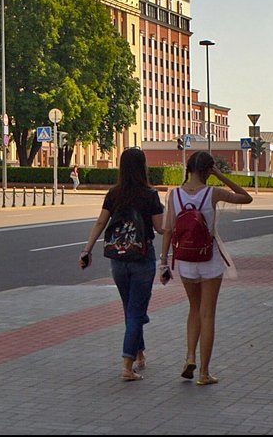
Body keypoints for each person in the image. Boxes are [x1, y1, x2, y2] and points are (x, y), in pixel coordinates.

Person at [159, 150, 253, 386]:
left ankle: (189, 356)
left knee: (193, 309)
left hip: (185, 262)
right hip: (208, 259)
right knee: (207, 313)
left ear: (189, 168)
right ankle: (203, 372)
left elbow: (168, 229)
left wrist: (163, 260)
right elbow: (245, 197)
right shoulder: (213, 193)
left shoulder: (175, 195)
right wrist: (221, 176)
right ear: (208, 170)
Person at [78, 147, 165, 381]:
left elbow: (100, 222)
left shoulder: (114, 193)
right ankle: (127, 365)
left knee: (131, 309)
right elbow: (160, 228)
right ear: (143, 167)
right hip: (142, 258)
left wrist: (86, 250)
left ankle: (140, 354)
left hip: (118, 259)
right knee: (136, 312)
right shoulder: (150, 194)